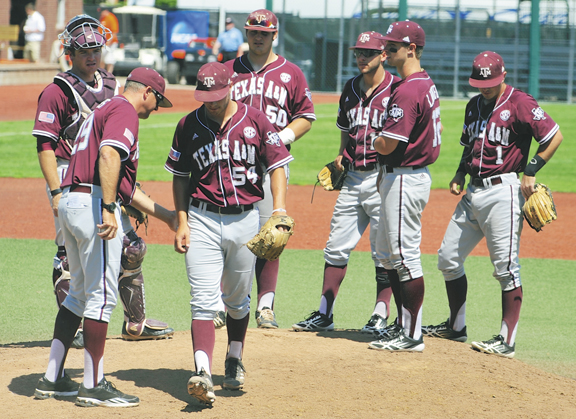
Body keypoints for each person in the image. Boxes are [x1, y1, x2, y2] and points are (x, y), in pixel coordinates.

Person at [34, 66, 173, 407]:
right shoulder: (124, 109)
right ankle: (93, 385)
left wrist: (167, 216)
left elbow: (124, 183)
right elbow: (110, 156)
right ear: (147, 92)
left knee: (78, 294)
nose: (155, 110)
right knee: (102, 297)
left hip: (71, 200)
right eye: (157, 101)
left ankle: (52, 378)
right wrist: (109, 208)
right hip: (93, 203)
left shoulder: (102, 109)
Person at [166, 62, 293, 405]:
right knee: (204, 298)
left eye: (217, 97)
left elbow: (278, 164)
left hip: (245, 219)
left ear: (231, 89)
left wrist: (278, 210)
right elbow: (179, 174)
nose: (211, 103)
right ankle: (202, 371)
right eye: (206, 97)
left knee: (237, 299)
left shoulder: (255, 120)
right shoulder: (188, 125)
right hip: (201, 218)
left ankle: (234, 357)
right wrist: (181, 219)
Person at [422, 51, 563, 358]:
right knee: (447, 258)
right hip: (473, 193)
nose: (485, 87)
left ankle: (506, 340)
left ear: (504, 76)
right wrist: (460, 173)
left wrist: (532, 169)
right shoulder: (473, 106)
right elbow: (469, 145)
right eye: (480, 83)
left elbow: (554, 136)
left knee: (506, 269)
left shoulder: (521, 103)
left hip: (504, 192)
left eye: (491, 82)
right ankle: (456, 327)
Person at [292, 31, 398, 334]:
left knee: (384, 251)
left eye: (368, 53)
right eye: (358, 53)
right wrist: (340, 155)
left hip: (382, 177)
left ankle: (381, 313)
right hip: (352, 177)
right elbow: (345, 130)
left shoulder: (396, 90)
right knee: (336, 246)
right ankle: (325, 313)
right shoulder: (350, 88)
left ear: (383, 56)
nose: (361, 58)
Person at [224, 9, 315, 329]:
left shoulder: (291, 73)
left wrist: (279, 139)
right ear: (246, 34)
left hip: (271, 167)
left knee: (270, 237)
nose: (258, 37)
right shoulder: (228, 71)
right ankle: (232, 303)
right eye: (252, 32)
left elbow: (305, 116)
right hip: (232, 165)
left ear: (275, 35)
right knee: (233, 237)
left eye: (264, 33)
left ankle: (265, 306)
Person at [368, 20, 441, 352]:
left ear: (411, 49)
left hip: (405, 176)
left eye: (392, 47)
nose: (386, 51)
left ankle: (412, 334)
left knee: (404, 256)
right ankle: (403, 327)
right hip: (401, 176)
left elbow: (389, 143)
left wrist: (374, 139)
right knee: (390, 255)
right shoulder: (420, 82)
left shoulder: (410, 88)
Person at [99, 9, 119, 73]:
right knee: (101, 59)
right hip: (103, 43)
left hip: (110, 43)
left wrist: (109, 42)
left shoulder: (111, 17)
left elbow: (114, 31)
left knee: (109, 59)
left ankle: (109, 73)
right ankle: (101, 73)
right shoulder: (102, 18)